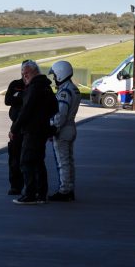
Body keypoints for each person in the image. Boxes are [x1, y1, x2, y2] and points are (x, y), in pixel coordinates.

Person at [9, 60, 58, 205]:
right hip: (41, 130)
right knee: (38, 162)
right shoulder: (46, 87)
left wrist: (14, 129)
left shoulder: (34, 87)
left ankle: (29, 195)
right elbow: (54, 107)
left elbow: (26, 111)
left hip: (32, 131)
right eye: (23, 75)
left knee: (26, 162)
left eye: (26, 74)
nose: (24, 77)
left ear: (33, 72)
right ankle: (41, 194)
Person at [48, 61, 81, 202]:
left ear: (61, 74)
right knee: (68, 160)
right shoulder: (73, 89)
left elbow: (60, 114)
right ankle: (69, 188)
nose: (54, 78)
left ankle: (64, 191)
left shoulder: (64, 92)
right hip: (71, 127)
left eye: (55, 76)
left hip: (63, 129)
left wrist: (53, 128)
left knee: (63, 162)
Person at [4, 63, 27, 195]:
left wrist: (18, 98)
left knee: (30, 157)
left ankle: (31, 186)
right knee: (14, 158)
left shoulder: (35, 85)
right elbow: (7, 100)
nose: (25, 73)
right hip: (16, 126)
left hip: (30, 127)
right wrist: (22, 98)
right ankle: (15, 186)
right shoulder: (15, 84)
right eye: (23, 71)